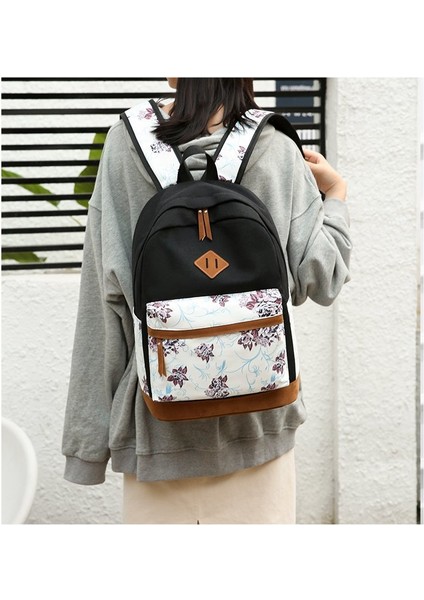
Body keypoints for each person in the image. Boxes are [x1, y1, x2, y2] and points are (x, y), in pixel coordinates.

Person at [62, 78, 351, 524]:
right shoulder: (275, 146)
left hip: (157, 430)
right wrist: (336, 195)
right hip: (258, 429)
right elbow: (322, 277)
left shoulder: (126, 144)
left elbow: (104, 304)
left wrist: (88, 448)